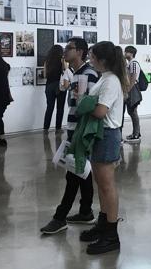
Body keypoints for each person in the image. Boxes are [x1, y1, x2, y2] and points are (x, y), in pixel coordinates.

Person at [41, 37, 99, 234]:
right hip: (74, 130)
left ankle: (60, 217)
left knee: (73, 174)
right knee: (81, 172)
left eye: (69, 48)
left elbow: (90, 106)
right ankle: (85, 211)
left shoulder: (88, 74)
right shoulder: (76, 74)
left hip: (80, 133)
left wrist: (80, 135)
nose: (65, 51)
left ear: (80, 52)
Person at [79, 41, 128, 255]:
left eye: (92, 56)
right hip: (101, 135)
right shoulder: (105, 78)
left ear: (102, 60)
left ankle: (111, 234)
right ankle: (103, 223)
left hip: (107, 135)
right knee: (101, 183)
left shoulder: (111, 82)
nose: (90, 60)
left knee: (107, 185)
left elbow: (100, 111)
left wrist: (83, 103)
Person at [43, 45, 67, 132]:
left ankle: (45, 128)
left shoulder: (47, 61)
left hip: (49, 86)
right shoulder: (62, 60)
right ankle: (58, 128)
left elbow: (45, 76)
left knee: (50, 107)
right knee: (60, 108)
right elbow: (65, 70)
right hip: (59, 86)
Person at [124, 46, 142, 143]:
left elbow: (133, 79)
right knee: (132, 112)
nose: (125, 53)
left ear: (131, 53)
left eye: (126, 51)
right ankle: (136, 133)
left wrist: (127, 91)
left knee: (133, 112)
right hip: (131, 89)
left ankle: (136, 134)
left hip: (132, 89)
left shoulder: (133, 63)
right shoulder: (130, 63)